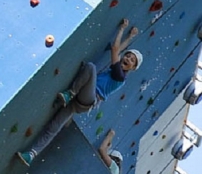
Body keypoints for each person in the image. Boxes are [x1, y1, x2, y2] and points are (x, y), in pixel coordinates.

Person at [17, 18, 141, 166]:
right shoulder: (118, 71)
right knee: (54, 126)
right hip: (82, 102)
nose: (128, 58)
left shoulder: (119, 75)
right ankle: (31, 154)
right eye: (128, 55)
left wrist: (122, 29)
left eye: (132, 60)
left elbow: (115, 49)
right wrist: (130, 37)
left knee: (90, 68)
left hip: (89, 98)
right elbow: (118, 51)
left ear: (132, 69)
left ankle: (70, 93)